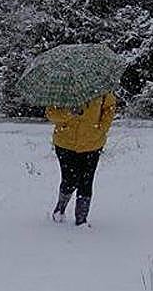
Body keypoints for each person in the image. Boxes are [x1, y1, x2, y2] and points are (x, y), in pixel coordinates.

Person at [45, 92, 117, 225]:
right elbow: (50, 113)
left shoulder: (100, 87)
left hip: (92, 143)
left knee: (86, 181)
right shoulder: (62, 88)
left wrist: (101, 128)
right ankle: (60, 209)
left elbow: (110, 107)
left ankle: (81, 220)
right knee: (70, 180)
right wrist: (69, 113)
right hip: (65, 143)